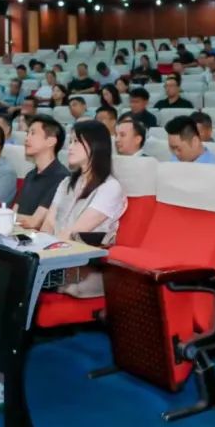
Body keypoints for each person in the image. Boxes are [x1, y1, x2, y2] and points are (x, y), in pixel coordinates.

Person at [30, 120, 128, 298]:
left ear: (95, 146)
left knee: (21, 274)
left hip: (83, 263)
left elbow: (73, 233)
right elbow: (48, 225)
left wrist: (39, 256)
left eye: (76, 141)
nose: (70, 147)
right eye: (70, 142)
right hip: (54, 256)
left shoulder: (110, 187)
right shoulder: (66, 183)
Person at [16, 116, 71, 225]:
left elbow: (35, 222)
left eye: (33, 133)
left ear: (50, 141)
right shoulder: (30, 175)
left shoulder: (61, 177)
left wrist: (8, 217)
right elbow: (14, 211)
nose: (26, 138)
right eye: (27, 133)